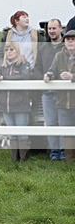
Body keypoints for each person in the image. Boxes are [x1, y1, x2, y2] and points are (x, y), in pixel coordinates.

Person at [0, 42, 32, 162]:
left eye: (11, 49)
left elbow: (23, 77)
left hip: (21, 105)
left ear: (17, 51)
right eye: (6, 50)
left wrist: (4, 78)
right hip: (6, 105)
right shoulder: (2, 66)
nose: (9, 52)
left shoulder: (24, 64)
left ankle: (23, 159)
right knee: (12, 133)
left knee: (21, 133)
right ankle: (14, 159)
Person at [44, 29, 75, 162]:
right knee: (66, 133)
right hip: (62, 102)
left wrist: (72, 77)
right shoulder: (58, 56)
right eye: (68, 39)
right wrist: (48, 75)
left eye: (73, 39)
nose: (70, 42)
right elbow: (52, 70)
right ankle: (69, 160)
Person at [38, 19, 65, 160]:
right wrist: (41, 78)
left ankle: (64, 151)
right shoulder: (43, 47)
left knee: (63, 122)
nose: (51, 31)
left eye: (54, 28)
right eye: (49, 29)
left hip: (63, 92)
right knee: (50, 122)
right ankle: (54, 151)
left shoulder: (66, 46)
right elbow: (37, 67)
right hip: (47, 92)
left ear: (61, 29)